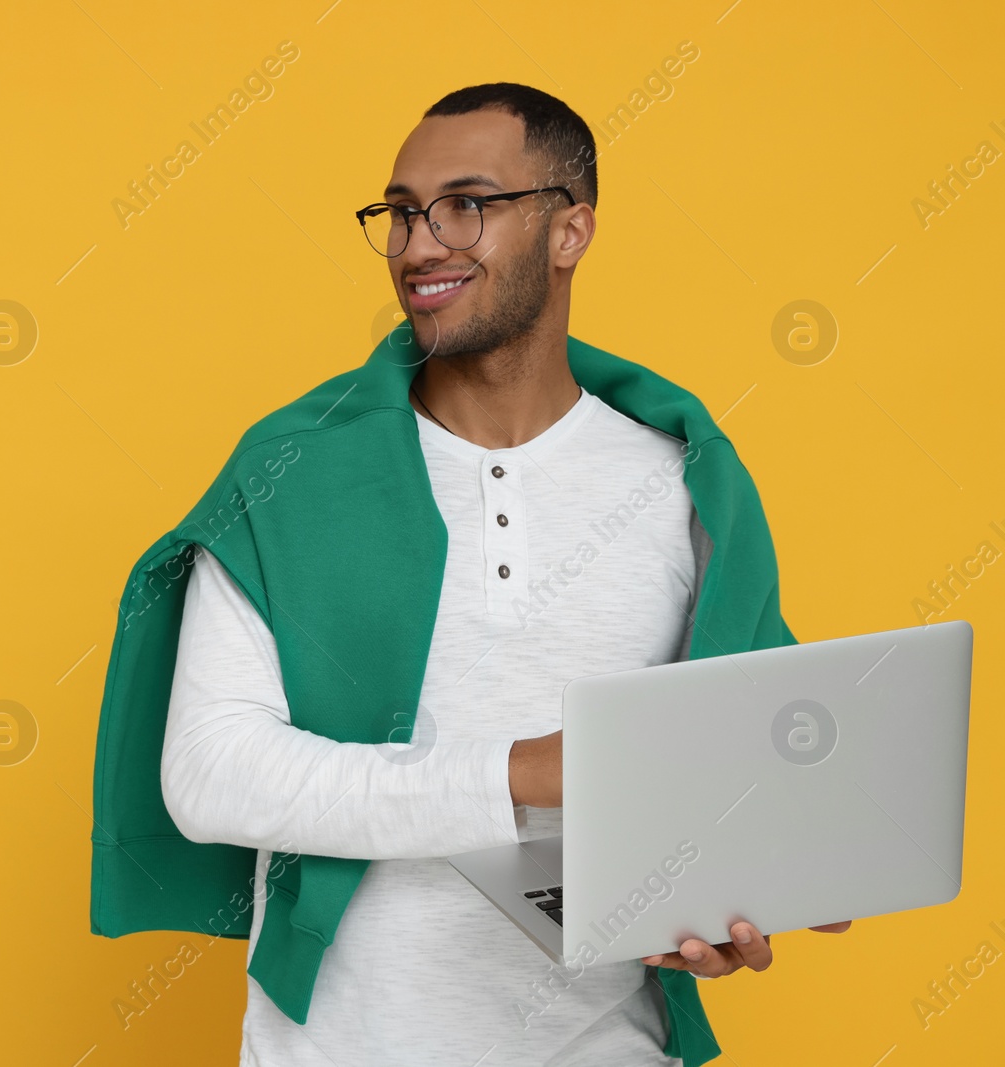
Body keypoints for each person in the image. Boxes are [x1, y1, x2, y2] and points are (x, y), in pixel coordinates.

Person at [155, 82, 849, 1066]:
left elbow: (742, 774)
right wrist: (520, 771)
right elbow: (210, 774)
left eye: (466, 204)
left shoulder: (680, 484)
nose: (420, 242)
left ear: (570, 231)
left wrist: (750, 892)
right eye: (400, 212)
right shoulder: (290, 472)